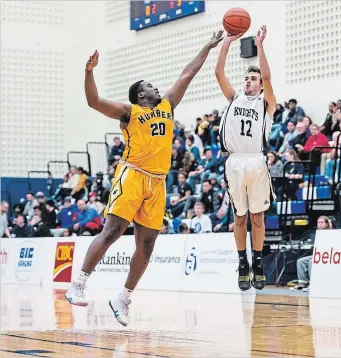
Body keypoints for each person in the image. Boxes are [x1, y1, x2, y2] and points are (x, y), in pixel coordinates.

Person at [65, 30, 224, 326]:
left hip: (158, 181)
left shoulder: (167, 105)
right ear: (141, 93)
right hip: (132, 175)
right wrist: (89, 72)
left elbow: (188, 73)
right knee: (112, 231)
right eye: (150, 85)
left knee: (148, 245)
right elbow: (94, 101)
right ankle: (78, 284)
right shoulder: (129, 112)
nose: (156, 87)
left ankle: (122, 298)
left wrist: (208, 45)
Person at [215, 25, 276, 291]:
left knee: (257, 217)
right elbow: (218, 73)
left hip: (256, 161)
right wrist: (227, 42)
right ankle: (243, 263)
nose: (248, 81)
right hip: (235, 161)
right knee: (239, 217)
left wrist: (260, 46)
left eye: (253, 79)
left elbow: (268, 77)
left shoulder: (267, 102)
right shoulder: (234, 98)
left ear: (260, 84)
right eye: (246, 78)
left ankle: (258, 262)